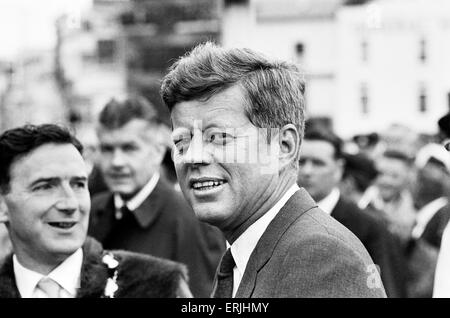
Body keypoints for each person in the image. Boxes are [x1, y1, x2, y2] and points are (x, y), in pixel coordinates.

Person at [160, 42, 386, 298]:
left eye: (219, 137)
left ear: (284, 146)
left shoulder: (319, 256)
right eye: (181, 142)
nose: (193, 157)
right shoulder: (250, 250)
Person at [0, 124, 191, 298]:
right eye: (45, 186)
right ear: (2, 206)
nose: (71, 204)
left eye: (78, 184)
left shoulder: (158, 286)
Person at [88, 96, 225, 298]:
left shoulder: (192, 220)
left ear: (158, 152)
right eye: (107, 149)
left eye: (129, 148)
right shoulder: (92, 210)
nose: (116, 162)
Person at [297, 127, 407, 298]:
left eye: (318, 163)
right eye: (301, 161)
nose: (307, 171)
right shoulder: (283, 219)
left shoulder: (369, 227)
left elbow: (388, 290)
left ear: (339, 168)